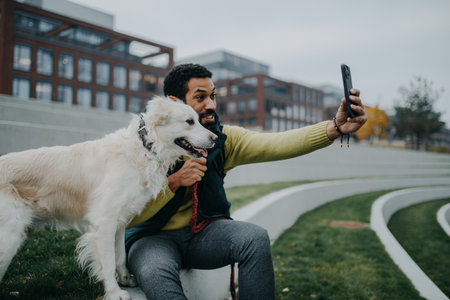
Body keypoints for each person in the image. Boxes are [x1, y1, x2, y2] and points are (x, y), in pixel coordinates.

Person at [125, 63, 367, 300]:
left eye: (213, 96)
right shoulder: (142, 145)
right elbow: (126, 216)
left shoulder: (223, 139)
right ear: (174, 103)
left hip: (203, 234)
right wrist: (174, 183)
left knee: (254, 238)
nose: (211, 105)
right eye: (200, 97)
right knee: (154, 272)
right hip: (152, 238)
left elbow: (277, 144)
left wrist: (335, 127)